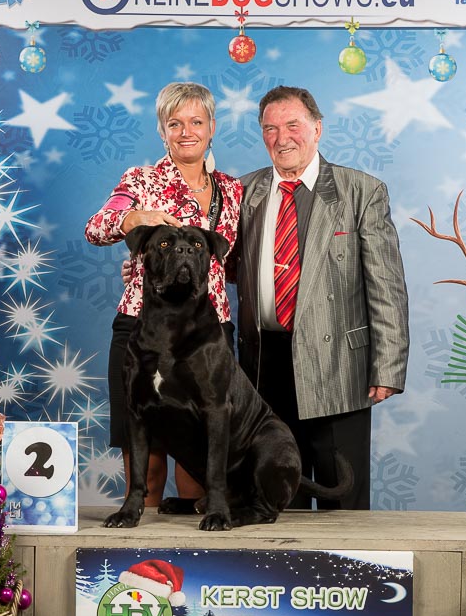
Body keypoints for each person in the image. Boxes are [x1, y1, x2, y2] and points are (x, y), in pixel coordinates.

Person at [233, 85, 409, 510]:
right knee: (277, 499)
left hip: (338, 366)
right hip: (264, 365)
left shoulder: (361, 191)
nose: (282, 138)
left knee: (342, 499)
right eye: (270, 129)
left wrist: (388, 365)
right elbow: (218, 268)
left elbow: (386, 286)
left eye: (292, 125)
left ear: (317, 128)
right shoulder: (243, 192)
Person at [85, 82, 242, 507]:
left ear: (212, 127)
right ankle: (137, 538)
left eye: (196, 122)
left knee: (197, 464)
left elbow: (235, 262)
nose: (186, 132)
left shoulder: (233, 190)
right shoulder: (140, 180)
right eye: (175, 124)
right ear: (162, 131)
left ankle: (198, 545)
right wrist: (133, 218)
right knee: (148, 463)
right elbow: (97, 227)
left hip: (207, 334)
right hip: (143, 329)